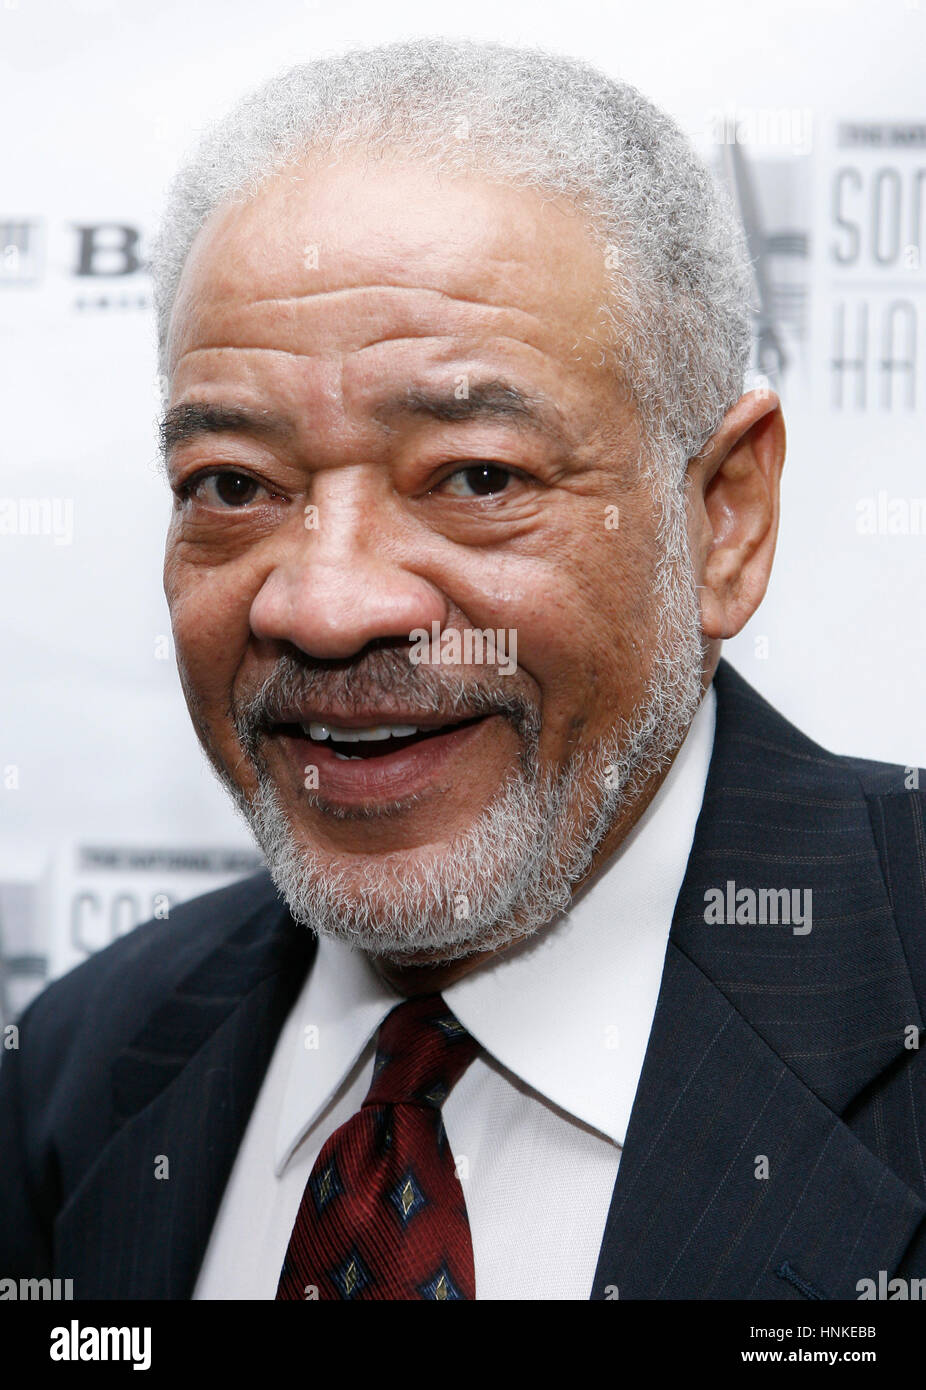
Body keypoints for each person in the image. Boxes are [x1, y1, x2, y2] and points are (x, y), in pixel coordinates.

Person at [2, 37, 925, 1302]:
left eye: (477, 478)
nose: (324, 606)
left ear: (722, 518)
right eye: (232, 486)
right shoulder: (79, 1067)